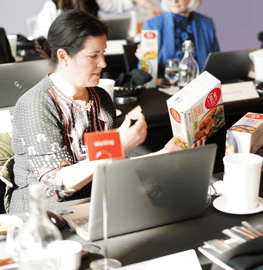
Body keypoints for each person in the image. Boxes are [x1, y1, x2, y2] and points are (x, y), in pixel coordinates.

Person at [11, 10, 200, 213]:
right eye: (93, 56)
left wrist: (165, 154)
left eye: (103, 54)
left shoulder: (100, 98)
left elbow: (109, 167)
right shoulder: (36, 104)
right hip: (41, 217)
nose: (103, 64)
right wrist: (117, 145)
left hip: (95, 207)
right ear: (63, 56)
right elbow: (56, 187)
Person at [135, 0, 220, 71]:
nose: (174, 1)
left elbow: (216, 62)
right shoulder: (152, 25)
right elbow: (144, 71)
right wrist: (144, 60)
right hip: (167, 85)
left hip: (201, 84)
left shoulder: (206, 23)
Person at [28, 0, 160, 39]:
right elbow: (43, 34)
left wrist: (137, 1)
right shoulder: (53, 5)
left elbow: (115, 5)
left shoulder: (91, 1)